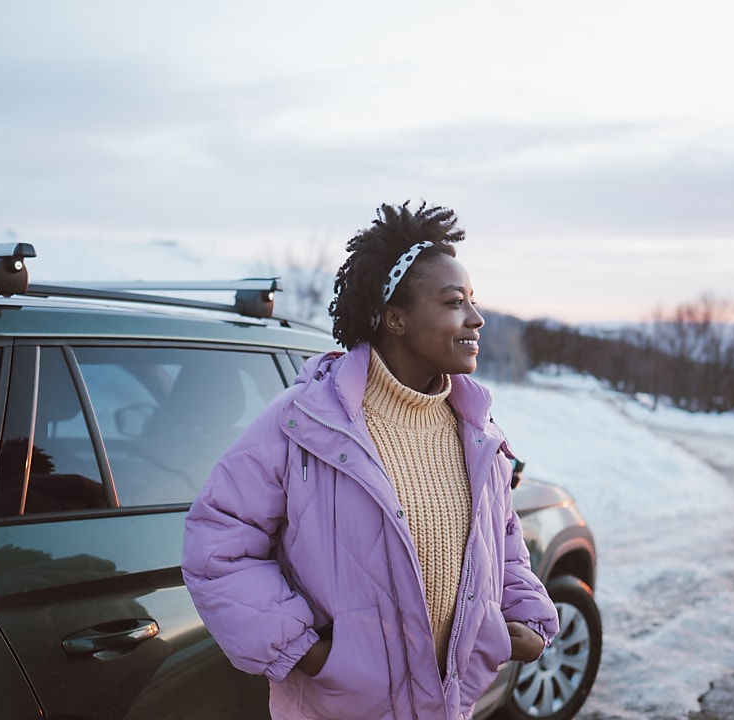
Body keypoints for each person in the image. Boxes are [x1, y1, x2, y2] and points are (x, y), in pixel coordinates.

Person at [182, 201, 558, 719]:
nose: (477, 318)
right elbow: (217, 544)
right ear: (395, 317)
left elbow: (503, 540)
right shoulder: (305, 420)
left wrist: (527, 619)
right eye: (454, 302)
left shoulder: (477, 431)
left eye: (472, 301)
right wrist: (310, 652)